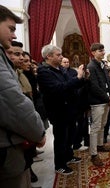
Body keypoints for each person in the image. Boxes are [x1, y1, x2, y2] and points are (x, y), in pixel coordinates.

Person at [0, 5, 46, 187]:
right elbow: (14, 101)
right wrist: (38, 132)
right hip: (7, 145)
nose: (14, 35)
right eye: (10, 29)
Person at [37, 45, 85, 175]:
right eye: (58, 55)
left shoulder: (61, 69)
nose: (62, 57)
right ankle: (59, 164)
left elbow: (71, 84)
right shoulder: (44, 72)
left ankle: (69, 156)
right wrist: (77, 78)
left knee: (70, 135)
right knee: (61, 138)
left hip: (69, 108)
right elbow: (58, 88)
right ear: (49, 56)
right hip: (58, 111)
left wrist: (83, 78)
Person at [85, 43, 110, 166]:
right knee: (96, 128)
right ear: (93, 52)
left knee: (103, 124)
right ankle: (93, 154)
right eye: (100, 51)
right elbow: (94, 86)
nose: (103, 52)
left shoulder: (102, 64)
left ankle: (100, 145)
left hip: (106, 99)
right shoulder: (91, 66)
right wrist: (108, 98)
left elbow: (109, 81)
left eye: (103, 50)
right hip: (97, 101)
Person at [60, 57, 89, 151]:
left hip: (78, 101)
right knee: (68, 129)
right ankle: (68, 147)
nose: (66, 63)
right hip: (67, 103)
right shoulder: (60, 72)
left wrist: (84, 78)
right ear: (61, 63)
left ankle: (77, 143)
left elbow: (78, 84)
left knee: (81, 124)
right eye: (64, 62)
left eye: (68, 62)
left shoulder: (73, 71)